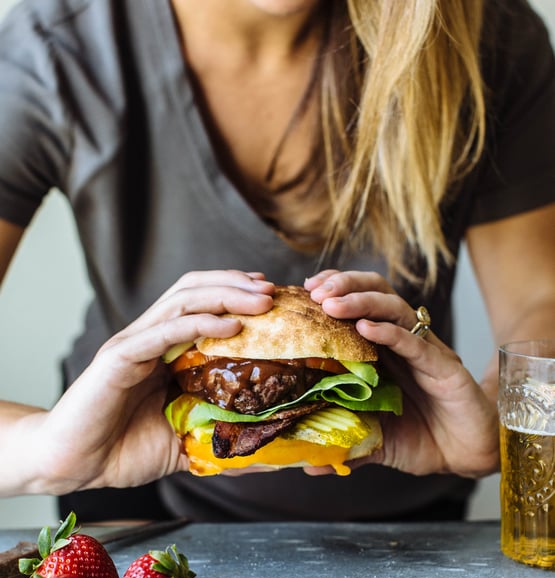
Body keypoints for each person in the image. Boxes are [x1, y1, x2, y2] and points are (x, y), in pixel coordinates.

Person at [0, 0, 554, 523]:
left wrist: (497, 424)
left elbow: (541, 300)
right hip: (137, 502)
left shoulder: (479, 31)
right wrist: (49, 451)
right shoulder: (55, 48)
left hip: (410, 501)